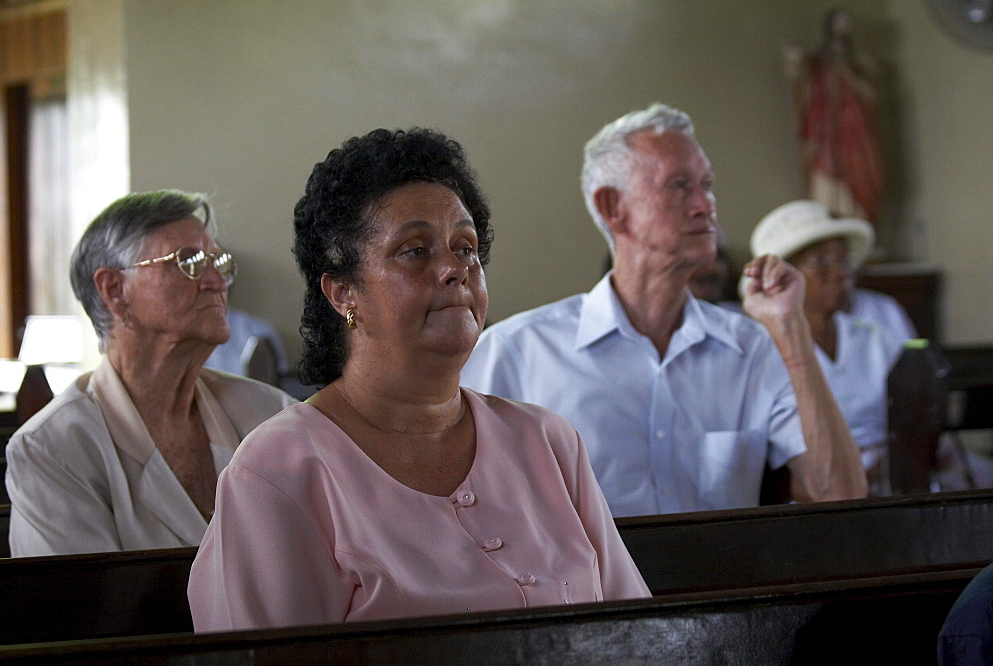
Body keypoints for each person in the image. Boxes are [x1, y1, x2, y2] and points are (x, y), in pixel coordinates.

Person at [188, 128, 650, 631]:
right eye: (415, 250)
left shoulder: (547, 443)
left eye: (466, 248)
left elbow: (637, 633)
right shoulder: (279, 473)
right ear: (344, 293)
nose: (455, 269)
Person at [461, 103, 867, 517]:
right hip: (588, 585)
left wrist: (791, 328)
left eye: (707, 185)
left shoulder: (750, 349)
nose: (704, 205)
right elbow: (467, 506)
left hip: (727, 582)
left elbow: (841, 494)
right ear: (613, 208)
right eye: (679, 185)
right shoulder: (518, 352)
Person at [5, 191, 296, 556]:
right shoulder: (51, 449)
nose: (217, 282)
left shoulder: (271, 413)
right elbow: (79, 606)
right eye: (188, 261)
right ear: (114, 290)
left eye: (217, 262)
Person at [749, 200, 904, 488]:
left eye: (844, 260)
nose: (840, 272)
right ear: (781, 278)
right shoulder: (757, 351)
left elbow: (914, 416)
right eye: (821, 261)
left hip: (891, 482)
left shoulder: (875, 336)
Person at [785, 8, 885, 224]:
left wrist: (847, 72)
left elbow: (871, 95)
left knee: (861, 175)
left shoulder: (858, 62)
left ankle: (860, 225)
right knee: (824, 178)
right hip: (824, 133)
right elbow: (801, 83)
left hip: (855, 133)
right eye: (839, 24)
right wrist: (796, 64)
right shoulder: (817, 62)